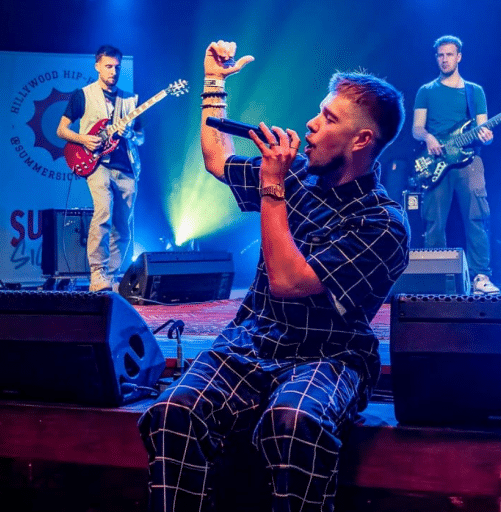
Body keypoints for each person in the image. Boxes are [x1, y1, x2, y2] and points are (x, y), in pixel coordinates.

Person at [138, 40, 409, 512]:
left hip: (328, 355)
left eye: (329, 118)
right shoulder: (297, 175)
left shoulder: (381, 223)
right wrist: (214, 83)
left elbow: (288, 281)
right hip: (252, 341)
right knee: (171, 413)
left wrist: (271, 186)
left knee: (293, 420)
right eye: (319, 111)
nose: (311, 123)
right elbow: (215, 157)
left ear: (361, 141)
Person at [412, 35, 500, 294]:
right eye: (440, 55)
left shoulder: (475, 91)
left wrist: (487, 136)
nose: (444, 59)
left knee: (476, 217)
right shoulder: (426, 91)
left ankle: (480, 276)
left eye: (449, 54)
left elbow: (483, 128)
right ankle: (435, 279)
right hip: (436, 162)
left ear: (459, 57)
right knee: (434, 221)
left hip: (469, 161)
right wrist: (428, 138)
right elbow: (417, 128)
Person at [56, 44, 144, 291]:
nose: (113, 71)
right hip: (97, 163)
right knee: (103, 212)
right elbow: (61, 130)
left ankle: (112, 276)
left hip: (126, 166)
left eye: (117, 67)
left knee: (124, 224)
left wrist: (130, 134)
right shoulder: (82, 95)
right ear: (97, 66)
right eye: (108, 66)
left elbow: (141, 137)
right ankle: (98, 272)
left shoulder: (131, 100)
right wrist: (83, 139)